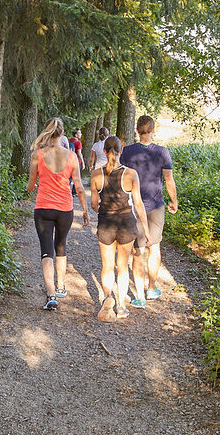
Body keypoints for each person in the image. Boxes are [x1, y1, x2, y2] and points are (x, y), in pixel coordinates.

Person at [27, 117, 89, 310]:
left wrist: (36, 184)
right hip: (65, 209)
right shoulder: (71, 156)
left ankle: (51, 295)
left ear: (48, 132)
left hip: (43, 209)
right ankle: (61, 286)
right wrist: (85, 210)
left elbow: (30, 186)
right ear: (62, 134)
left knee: (47, 252)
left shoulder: (38, 155)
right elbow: (78, 187)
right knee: (60, 246)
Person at [119, 115, 178, 308]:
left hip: (134, 206)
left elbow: (120, 176)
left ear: (137, 130)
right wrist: (174, 201)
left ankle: (140, 297)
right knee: (155, 248)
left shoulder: (127, 151)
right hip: (156, 205)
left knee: (138, 250)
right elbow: (169, 180)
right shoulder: (162, 152)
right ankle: (151, 288)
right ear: (153, 130)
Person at [90, 136, 149, 321]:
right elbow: (138, 204)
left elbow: (94, 205)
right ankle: (121, 306)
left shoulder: (96, 174)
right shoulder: (131, 174)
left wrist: (105, 210)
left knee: (107, 266)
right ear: (121, 151)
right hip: (126, 224)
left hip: (106, 223)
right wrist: (146, 230)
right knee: (122, 267)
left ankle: (107, 299)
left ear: (104, 151)